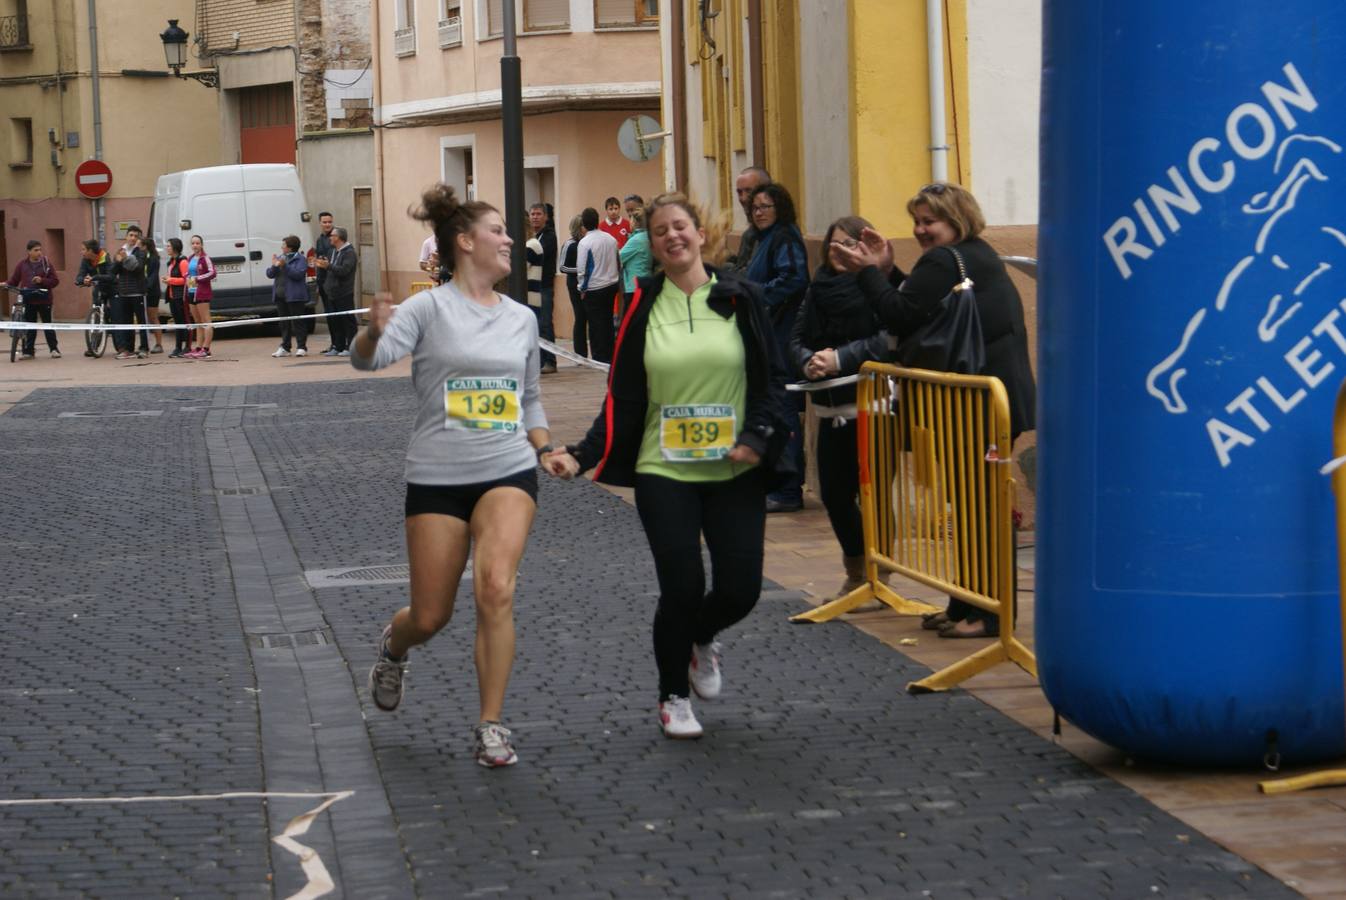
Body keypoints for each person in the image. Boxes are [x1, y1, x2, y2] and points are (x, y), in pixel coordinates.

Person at [546, 193, 796, 740]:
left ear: (701, 234)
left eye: (680, 227)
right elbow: (624, 398)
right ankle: (672, 696)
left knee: (740, 590)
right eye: (660, 231)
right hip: (666, 470)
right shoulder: (643, 304)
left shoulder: (741, 298)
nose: (672, 237)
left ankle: (701, 639)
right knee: (681, 586)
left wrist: (757, 437)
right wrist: (582, 452)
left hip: (734, 468)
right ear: (652, 245)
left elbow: (773, 381)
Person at [352, 183, 556, 768]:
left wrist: (545, 448)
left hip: (508, 470)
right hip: (438, 475)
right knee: (431, 615)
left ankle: (492, 723)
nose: (510, 239)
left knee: (496, 587)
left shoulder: (521, 317)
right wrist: (371, 329)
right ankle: (395, 647)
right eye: (499, 231)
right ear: (466, 242)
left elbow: (530, 401)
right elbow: (368, 360)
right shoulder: (428, 308)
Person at [833, 181, 1036, 639]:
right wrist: (886, 271)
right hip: (985, 401)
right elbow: (920, 303)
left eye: (931, 221)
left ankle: (988, 615)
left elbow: (901, 314)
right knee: (970, 507)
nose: (922, 230)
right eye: (918, 222)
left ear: (956, 219)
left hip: (977, 405)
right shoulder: (973, 254)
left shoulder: (947, 259)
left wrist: (869, 272)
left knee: (978, 510)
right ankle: (965, 604)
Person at [789, 216, 892, 604]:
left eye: (849, 243)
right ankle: (856, 573)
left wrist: (841, 359)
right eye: (834, 244)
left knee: (875, 495)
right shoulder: (817, 288)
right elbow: (796, 337)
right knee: (834, 494)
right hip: (829, 410)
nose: (840, 251)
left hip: (874, 406)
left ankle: (880, 578)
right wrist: (808, 361)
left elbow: (887, 338)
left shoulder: (875, 285)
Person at [746, 182, 810, 513]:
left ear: (779, 208)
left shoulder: (784, 237)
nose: (758, 212)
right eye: (755, 207)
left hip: (782, 339)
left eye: (765, 206)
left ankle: (788, 489)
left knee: (783, 411)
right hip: (770, 336)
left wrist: (757, 299)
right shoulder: (765, 239)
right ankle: (776, 483)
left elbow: (793, 278)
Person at [575, 207, 621, 364]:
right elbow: (617, 260)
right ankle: (610, 353)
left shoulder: (584, 243)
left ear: (583, 224)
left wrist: (582, 288)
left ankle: (599, 357)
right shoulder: (610, 239)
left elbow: (582, 269)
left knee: (595, 324)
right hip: (612, 284)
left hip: (594, 287)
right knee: (608, 320)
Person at [4, 240, 60, 359]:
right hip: (28, 300)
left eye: (40, 249)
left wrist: (42, 280)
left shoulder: (46, 264)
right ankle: (28, 351)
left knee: (47, 325)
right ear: (29, 252)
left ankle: (54, 349)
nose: (39, 252)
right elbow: (14, 281)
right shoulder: (22, 265)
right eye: (36, 250)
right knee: (29, 326)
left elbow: (55, 281)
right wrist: (5, 284)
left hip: (44, 299)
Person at [525, 202, 558, 374]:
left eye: (538, 214)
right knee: (535, 324)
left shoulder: (549, 236)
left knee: (545, 323)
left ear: (545, 217)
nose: (535, 217)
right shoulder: (531, 237)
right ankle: (539, 360)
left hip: (544, 286)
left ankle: (550, 361)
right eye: (533, 214)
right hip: (532, 287)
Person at [268, 235, 311, 357]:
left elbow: (298, 274)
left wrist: (285, 266)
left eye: (283, 245)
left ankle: (302, 347)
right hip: (280, 295)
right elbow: (270, 274)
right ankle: (285, 347)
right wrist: (274, 265)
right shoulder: (281, 258)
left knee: (298, 322)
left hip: (295, 296)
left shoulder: (301, 259)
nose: (282, 247)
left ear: (290, 247)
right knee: (284, 323)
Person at [112, 226, 150, 360]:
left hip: (138, 292)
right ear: (126, 236)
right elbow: (114, 271)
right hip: (123, 292)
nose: (133, 238)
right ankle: (128, 349)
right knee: (126, 322)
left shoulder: (141, 252)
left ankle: (144, 348)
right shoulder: (120, 251)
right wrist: (118, 261)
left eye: (136, 236)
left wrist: (125, 259)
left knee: (142, 322)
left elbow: (138, 268)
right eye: (131, 235)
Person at [322, 226, 359, 356]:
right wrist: (324, 266)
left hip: (344, 292)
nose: (330, 238)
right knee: (335, 321)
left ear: (339, 238)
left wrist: (329, 266)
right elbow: (332, 268)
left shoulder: (349, 253)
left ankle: (351, 347)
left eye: (332, 235)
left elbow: (344, 271)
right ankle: (338, 346)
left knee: (347, 320)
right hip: (332, 292)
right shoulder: (333, 251)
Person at [76, 239, 116, 357]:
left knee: (115, 316)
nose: (81, 252)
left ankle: (121, 347)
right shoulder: (85, 260)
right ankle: (93, 347)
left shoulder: (105, 258)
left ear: (91, 251)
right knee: (97, 317)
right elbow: (80, 275)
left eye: (83, 249)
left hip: (111, 290)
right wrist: (82, 280)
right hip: (98, 290)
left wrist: (94, 277)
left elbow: (111, 276)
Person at [729, 166, 771, 273]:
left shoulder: (779, 232)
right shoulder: (751, 232)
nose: (743, 198)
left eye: (749, 191)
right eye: (739, 192)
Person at [558, 215, 588, 358]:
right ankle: (580, 354)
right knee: (580, 317)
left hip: (588, 284)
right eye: (583, 226)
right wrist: (580, 270)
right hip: (574, 284)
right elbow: (562, 267)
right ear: (578, 227)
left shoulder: (588, 242)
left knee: (589, 317)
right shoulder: (569, 244)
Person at [184, 234, 216, 359]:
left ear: (201, 245)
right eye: (193, 243)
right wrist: (187, 278)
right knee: (197, 321)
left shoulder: (205, 258)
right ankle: (198, 347)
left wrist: (198, 278)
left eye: (197, 243)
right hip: (191, 292)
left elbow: (212, 272)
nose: (195, 245)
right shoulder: (190, 258)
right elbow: (187, 273)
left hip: (202, 293)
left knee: (206, 321)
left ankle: (206, 349)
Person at [161, 238, 193, 358]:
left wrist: (171, 280)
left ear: (175, 247)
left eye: (169, 246)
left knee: (185, 321)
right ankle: (178, 347)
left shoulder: (183, 262)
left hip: (181, 297)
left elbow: (187, 280)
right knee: (177, 323)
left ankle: (187, 346)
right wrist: (167, 280)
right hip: (172, 296)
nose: (167, 248)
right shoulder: (171, 262)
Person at [618, 204, 651, 314]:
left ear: (635, 222)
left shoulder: (636, 240)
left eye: (630, 220)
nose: (629, 223)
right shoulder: (647, 236)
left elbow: (618, 258)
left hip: (634, 286)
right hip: (645, 283)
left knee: (630, 324)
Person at [315, 212, 336, 353]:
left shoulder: (336, 237)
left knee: (337, 314)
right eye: (324, 222)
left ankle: (342, 344)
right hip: (323, 281)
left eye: (329, 222)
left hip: (334, 281)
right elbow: (318, 259)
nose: (327, 224)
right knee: (329, 314)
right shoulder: (320, 239)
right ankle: (334, 344)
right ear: (320, 223)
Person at [142, 237, 164, 353]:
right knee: (146, 318)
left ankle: (159, 344)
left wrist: (147, 287)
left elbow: (153, 276)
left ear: (145, 246)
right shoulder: (144, 257)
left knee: (153, 317)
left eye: (141, 246)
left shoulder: (154, 259)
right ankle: (145, 344)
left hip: (152, 292)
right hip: (144, 290)